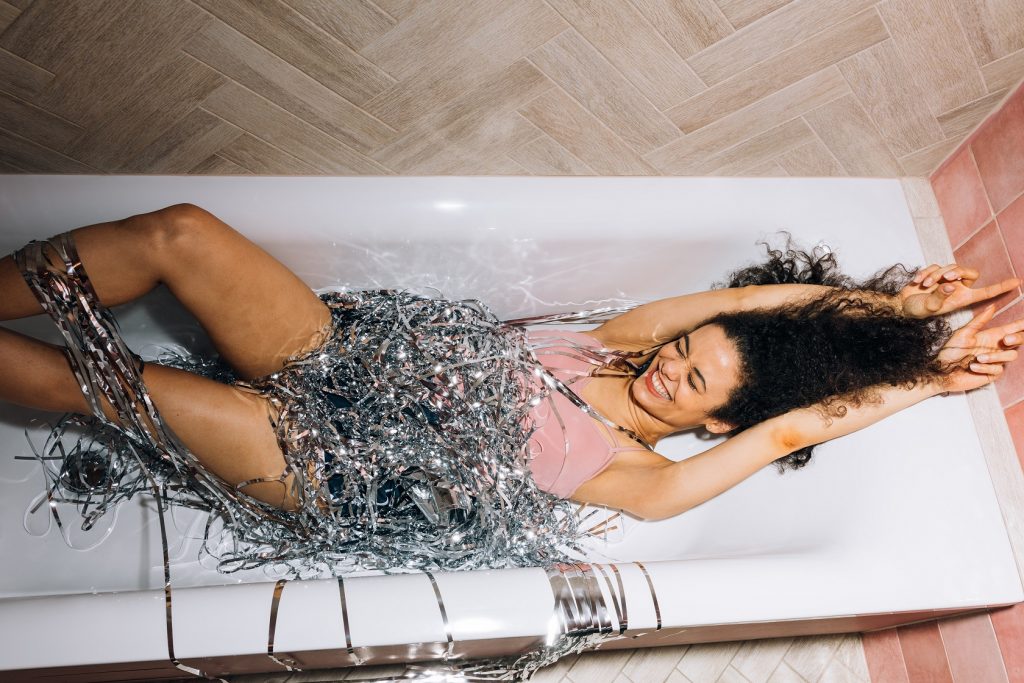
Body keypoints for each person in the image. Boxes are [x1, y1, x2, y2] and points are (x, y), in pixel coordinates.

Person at [1, 203, 1021, 536]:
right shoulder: (614, 338)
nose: (668, 363)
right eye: (681, 349)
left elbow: (794, 423)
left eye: (694, 381)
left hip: (324, 465)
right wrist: (898, 309)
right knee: (184, 232)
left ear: (720, 424)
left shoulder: (642, 478)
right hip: (346, 362)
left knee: (96, 382)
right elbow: (743, 307)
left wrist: (922, 376)